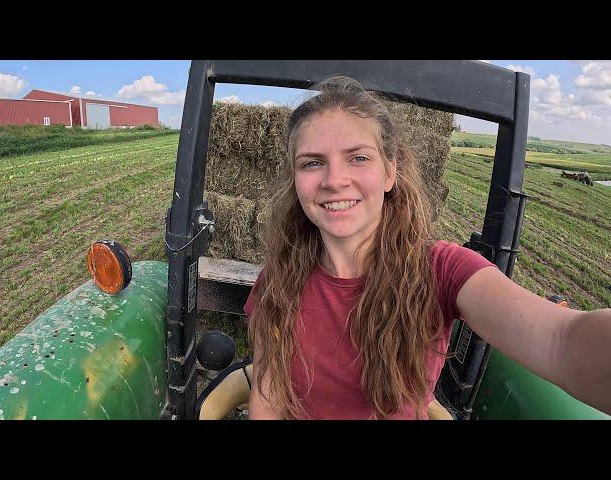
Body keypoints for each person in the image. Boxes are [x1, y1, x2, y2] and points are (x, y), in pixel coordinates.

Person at [243, 76, 611, 420]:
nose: (334, 180)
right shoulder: (278, 280)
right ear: (296, 180)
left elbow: (561, 341)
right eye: (312, 163)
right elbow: (269, 393)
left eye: (358, 157)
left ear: (390, 173)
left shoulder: (441, 269)